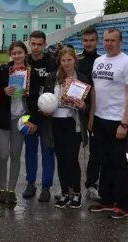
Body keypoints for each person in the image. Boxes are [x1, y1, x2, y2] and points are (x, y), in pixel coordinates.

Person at [88, 28, 128, 219]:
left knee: (118, 162)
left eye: (113, 40)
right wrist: (92, 115)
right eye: (106, 40)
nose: (108, 43)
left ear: (121, 41)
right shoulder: (98, 61)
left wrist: (124, 124)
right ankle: (107, 200)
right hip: (100, 118)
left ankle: (123, 205)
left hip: (118, 120)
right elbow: (95, 91)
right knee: (104, 161)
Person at [0, 41, 41, 205]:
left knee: (15, 154)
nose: (17, 56)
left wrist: (34, 120)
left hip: (21, 119)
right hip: (2, 118)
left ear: (25, 54)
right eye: (14, 53)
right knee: (3, 154)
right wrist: (3, 91)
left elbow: (34, 98)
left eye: (20, 53)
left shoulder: (32, 73)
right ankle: (1, 188)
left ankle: (11, 190)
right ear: (10, 54)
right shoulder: (3, 70)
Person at [45, 47, 90, 209]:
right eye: (63, 60)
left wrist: (83, 105)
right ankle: (65, 193)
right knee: (62, 159)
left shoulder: (82, 78)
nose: (66, 63)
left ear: (74, 60)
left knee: (72, 159)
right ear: (60, 61)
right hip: (57, 122)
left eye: (69, 60)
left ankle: (76, 193)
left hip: (74, 123)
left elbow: (88, 105)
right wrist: (45, 107)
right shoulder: (52, 78)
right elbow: (46, 98)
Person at [23, 30, 57, 202]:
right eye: (33, 43)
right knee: (29, 150)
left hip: (47, 114)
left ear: (44, 45)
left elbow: (55, 89)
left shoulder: (52, 63)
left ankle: (46, 186)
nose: (35, 47)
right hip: (27, 113)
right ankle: (30, 183)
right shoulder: (24, 60)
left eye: (39, 44)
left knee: (47, 150)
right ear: (29, 43)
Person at [78, 26, 102, 201]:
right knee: (71, 150)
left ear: (97, 41)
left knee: (95, 150)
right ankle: (70, 185)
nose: (88, 43)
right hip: (76, 110)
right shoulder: (76, 61)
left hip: (96, 111)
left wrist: (92, 115)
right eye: (85, 40)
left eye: (92, 40)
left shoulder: (102, 62)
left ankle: (92, 184)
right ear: (82, 41)